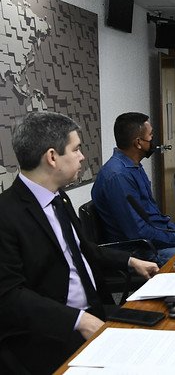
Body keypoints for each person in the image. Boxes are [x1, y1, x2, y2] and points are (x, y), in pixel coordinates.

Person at [0, 111, 159, 374]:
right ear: (52, 157)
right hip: (48, 334)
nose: (82, 156)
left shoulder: (59, 198)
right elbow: (10, 295)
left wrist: (131, 261)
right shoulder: (7, 213)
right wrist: (78, 320)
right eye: (76, 149)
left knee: (161, 331)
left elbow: (84, 249)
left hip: (93, 312)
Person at [91, 112, 175, 266]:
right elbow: (138, 231)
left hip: (150, 241)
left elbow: (153, 215)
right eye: (150, 135)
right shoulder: (118, 176)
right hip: (138, 251)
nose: (153, 139)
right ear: (138, 143)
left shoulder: (134, 166)